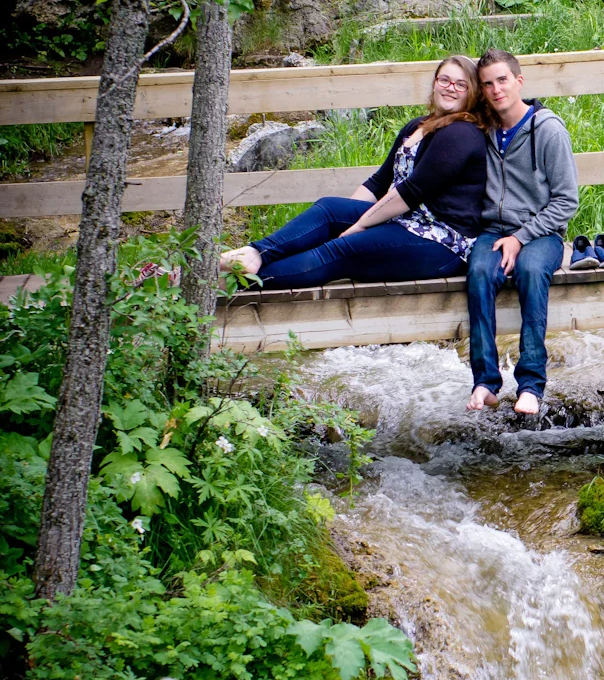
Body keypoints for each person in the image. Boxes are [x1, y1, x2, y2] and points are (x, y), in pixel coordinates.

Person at [219, 55, 488, 289]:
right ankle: (255, 253)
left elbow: (410, 193)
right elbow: (379, 182)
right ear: (435, 83)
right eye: (444, 80)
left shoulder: (461, 133)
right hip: (406, 222)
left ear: (472, 93)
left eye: (461, 84)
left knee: (339, 251)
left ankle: (235, 281)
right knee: (329, 210)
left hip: (440, 243)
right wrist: (348, 218)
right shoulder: (418, 126)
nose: (451, 88)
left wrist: (359, 225)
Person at [465, 48, 579, 415]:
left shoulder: (548, 130)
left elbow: (566, 200)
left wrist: (521, 237)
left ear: (519, 81)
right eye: (487, 84)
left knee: (530, 270)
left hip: (543, 233)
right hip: (492, 231)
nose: (496, 89)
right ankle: (486, 382)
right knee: (479, 273)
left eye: (502, 80)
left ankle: (530, 384)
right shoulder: (481, 130)